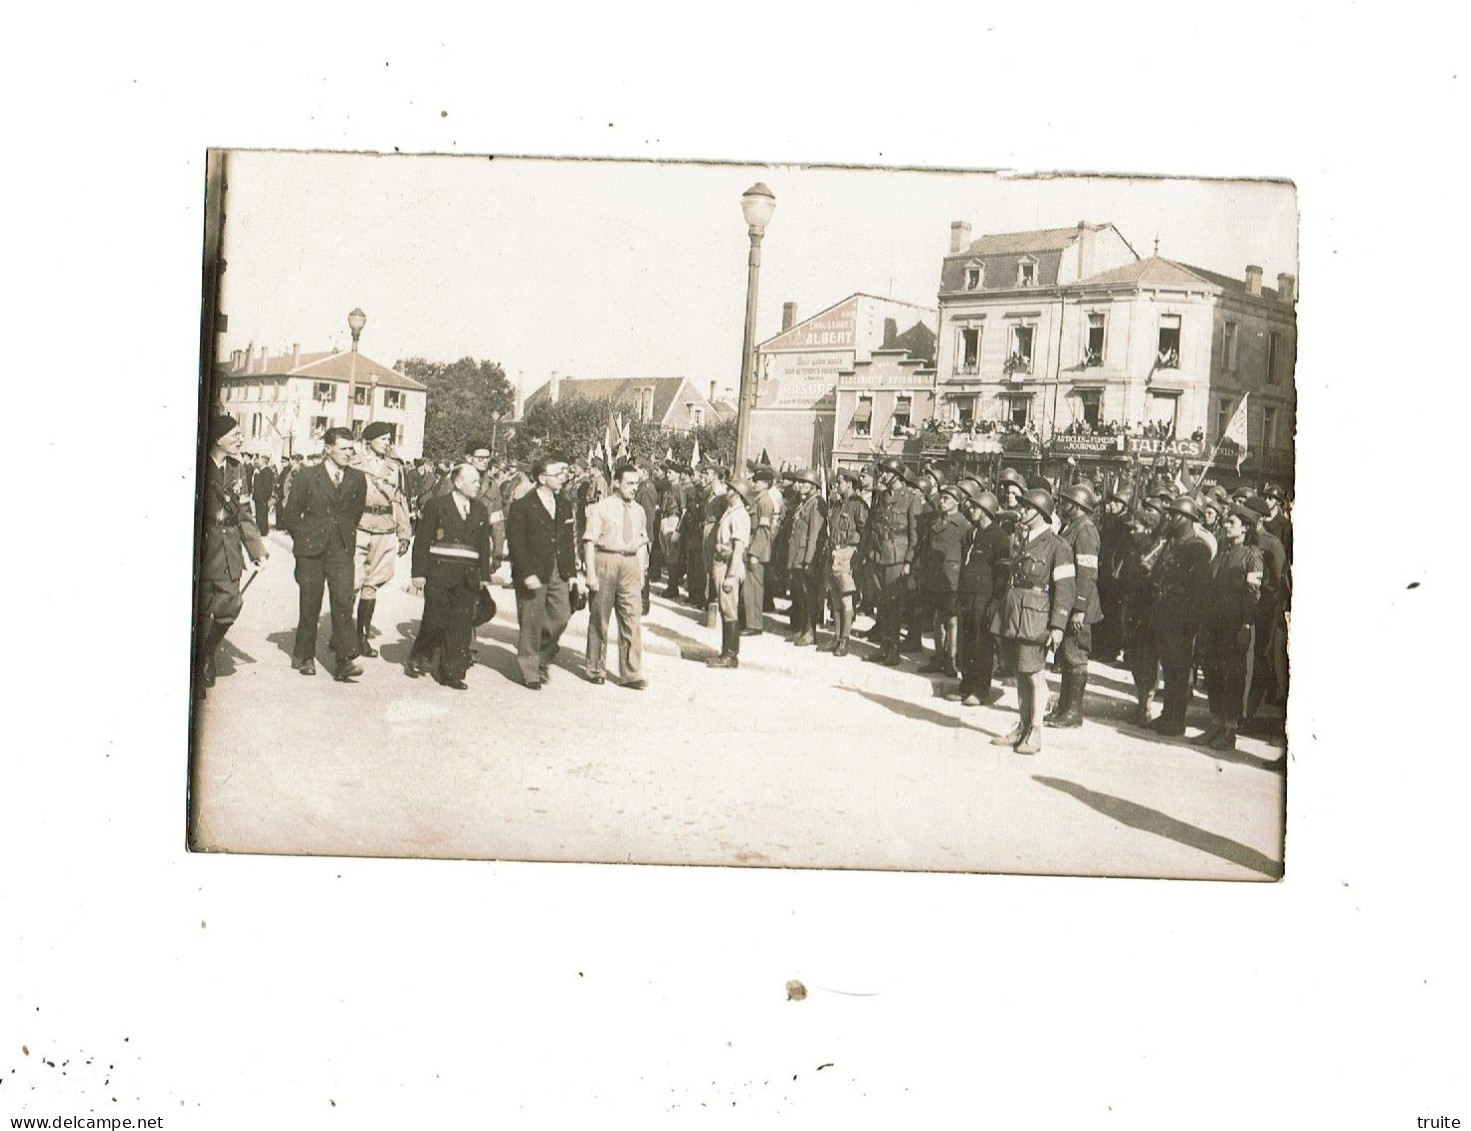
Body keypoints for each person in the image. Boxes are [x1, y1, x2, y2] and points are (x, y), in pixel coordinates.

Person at [989, 488, 1075, 755]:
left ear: (1041, 514)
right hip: (1016, 613)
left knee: (1034, 675)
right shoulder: (1023, 539)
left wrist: (1058, 626)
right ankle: (1023, 726)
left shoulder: (1058, 546)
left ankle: (1035, 731)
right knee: (1019, 673)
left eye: (1028, 508)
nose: (1022, 511)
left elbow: (1065, 589)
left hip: (1036, 618)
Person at [280, 427, 367, 681]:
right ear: (328, 449)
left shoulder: (357, 478)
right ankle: (306, 655)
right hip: (311, 549)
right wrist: (304, 538)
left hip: (341, 547)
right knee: (310, 601)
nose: (350, 453)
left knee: (343, 601)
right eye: (344, 448)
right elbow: (291, 514)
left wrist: (344, 535)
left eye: (352, 448)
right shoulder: (307, 476)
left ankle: (344, 660)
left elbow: (355, 512)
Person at [195, 415, 267, 695]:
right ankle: (197, 667)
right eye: (235, 434)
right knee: (200, 608)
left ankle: (207, 652)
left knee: (230, 605)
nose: (241, 438)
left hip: (228, 548)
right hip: (204, 544)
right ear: (217, 439)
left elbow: (245, 515)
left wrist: (256, 550)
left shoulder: (239, 470)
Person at [407, 463, 494, 689]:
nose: (478, 485)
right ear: (458, 483)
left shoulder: (480, 510)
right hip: (439, 573)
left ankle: (451, 672)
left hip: (468, 576)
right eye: (473, 481)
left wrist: (484, 574)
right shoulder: (437, 506)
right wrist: (419, 573)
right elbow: (423, 541)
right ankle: (420, 653)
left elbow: (484, 545)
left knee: (461, 625)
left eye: (479, 481)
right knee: (435, 619)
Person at [1195, 502, 1263, 750]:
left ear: (1245, 528)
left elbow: (1253, 595)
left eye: (1231, 523)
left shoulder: (1252, 556)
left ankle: (1229, 730)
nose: (1225, 526)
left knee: (1232, 676)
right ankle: (1215, 724)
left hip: (1235, 626)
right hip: (1214, 624)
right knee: (1213, 673)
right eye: (1225, 522)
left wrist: (1246, 624)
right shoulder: (1223, 552)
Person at [504, 453, 576, 690]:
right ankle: (530, 670)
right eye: (557, 475)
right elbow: (516, 543)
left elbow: (568, 542)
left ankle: (542, 655)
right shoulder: (522, 506)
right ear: (542, 478)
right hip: (533, 570)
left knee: (562, 615)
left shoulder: (565, 505)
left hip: (559, 569)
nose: (562, 478)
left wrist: (573, 574)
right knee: (531, 620)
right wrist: (526, 573)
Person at [1143, 496, 1213, 736]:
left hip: (1181, 617)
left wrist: (1192, 623)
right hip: (1164, 613)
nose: (1170, 518)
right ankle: (1167, 715)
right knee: (1168, 669)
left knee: (1179, 670)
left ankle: (1176, 720)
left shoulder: (1198, 548)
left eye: (1175, 515)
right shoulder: (1171, 543)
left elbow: (1202, 590)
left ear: (1187, 519)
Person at [583, 461, 650, 688]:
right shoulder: (601, 507)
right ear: (617, 483)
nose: (633, 487)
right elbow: (589, 541)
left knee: (632, 618)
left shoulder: (639, 511)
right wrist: (591, 573)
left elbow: (642, 542)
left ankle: (631, 673)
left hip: (630, 565)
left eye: (636, 483)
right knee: (600, 617)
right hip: (606, 561)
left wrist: (640, 573)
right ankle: (595, 668)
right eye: (629, 483)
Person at [351, 422, 412, 659]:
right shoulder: (354, 464)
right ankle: (343, 635)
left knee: (372, 583)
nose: (388, 443)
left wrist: (404, 533)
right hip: (359, 527)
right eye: (383, 438)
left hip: (384, 529)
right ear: (370, 440)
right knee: (352, 582)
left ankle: (362, 638)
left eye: (389, 439)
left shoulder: (394, 468)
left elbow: (399, 500)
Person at [1047, 483, 1103, 729]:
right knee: (1066, 656)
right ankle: (1064, 708)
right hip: (1069, 602)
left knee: (1075, 657)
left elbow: (1088, 572)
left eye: (1067, 501)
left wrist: (1079, 608)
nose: (1063, 504)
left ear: (1078, 504)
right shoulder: (1073, 526)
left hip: (1080, 606)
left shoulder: (1086, 530)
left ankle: (1073, 712)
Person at [862, 457, 923, 666]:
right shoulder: (881, 496)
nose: (883, 475)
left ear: (897, 475)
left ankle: (894, 649)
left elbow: (915, 534)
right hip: (878, 554)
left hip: (897, 556)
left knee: (894, 604)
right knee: (882, 603)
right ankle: (883, 647)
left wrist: (908, 562)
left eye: (887, 472)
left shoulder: (911, 498)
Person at [949, 487, 1006, 705]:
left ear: (985, 510)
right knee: (967, 642)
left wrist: (995, 602)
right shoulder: (971, 533)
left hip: (985, 599)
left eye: (975, 507)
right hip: (967, 596)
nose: (970, 510)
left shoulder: (999, 537)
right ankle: (967, 686)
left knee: (982, 645)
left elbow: (1003, 574)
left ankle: (981, 690)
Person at [918, 484, 970, 676]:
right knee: (937, 620)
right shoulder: (935, 524)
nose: (942, 501)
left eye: (947, 499)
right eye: (941, 498)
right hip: (935, 578)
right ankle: (938, 657)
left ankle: (951, 660)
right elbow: (925, 553)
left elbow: (967, 556)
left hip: (953, 580)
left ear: (957, 502)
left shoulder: (964, 526)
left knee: (953, 621)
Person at [706, 476, 752, 669]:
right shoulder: (732, 511)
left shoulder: (740, 515)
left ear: (738, 494)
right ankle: (726, 652)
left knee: (729, 610)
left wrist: (731, 576)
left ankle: (730, 655)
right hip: (723, 562)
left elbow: (739, 548)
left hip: (729, 565)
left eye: (731, 489)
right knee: (726, 609)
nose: (727, 491)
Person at [821, 468, 868, 656]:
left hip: (848, 553)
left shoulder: (858, 505)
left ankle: (845, 639)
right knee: (834, 598)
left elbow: (865, 532)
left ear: (850, 483)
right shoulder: (837, 505)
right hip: (834, 553)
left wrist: (859, 557)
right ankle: (836, 637)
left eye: (840, 482)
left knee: (846, 599)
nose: (836, 485)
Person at [784, 468, 825, 646]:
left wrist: (809, 561)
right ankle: (802, 629)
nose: (798, 485)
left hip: (806, 558)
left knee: (809, 596)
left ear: (813, 485)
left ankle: (810, 632)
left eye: (803, 482)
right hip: (797, 556)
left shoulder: (817, 503)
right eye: (798, 482)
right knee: (800, 594)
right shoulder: (805, 502)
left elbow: (814, 534)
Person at [742, 465, 779, 636]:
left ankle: (755, 625)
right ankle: (751, 622)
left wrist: (754, 553)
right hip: (752, 545)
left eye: (756, 482)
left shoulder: (764, 502)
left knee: (754, 588)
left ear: (765, 484)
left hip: (757, 549)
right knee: (750, 587)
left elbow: (764, 530)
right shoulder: (758, 500)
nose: (753, 484)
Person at [250, 453, 276, 535]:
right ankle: (261, 529)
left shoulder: (266, 472)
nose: (258, 462)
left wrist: (257, 475)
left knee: (262, 514)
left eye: (260, 460)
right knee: (259, 513)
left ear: (264, 461)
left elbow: (266, 486)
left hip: (262, 497)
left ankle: (262, 530)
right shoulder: (263, 471)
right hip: (259, 496)